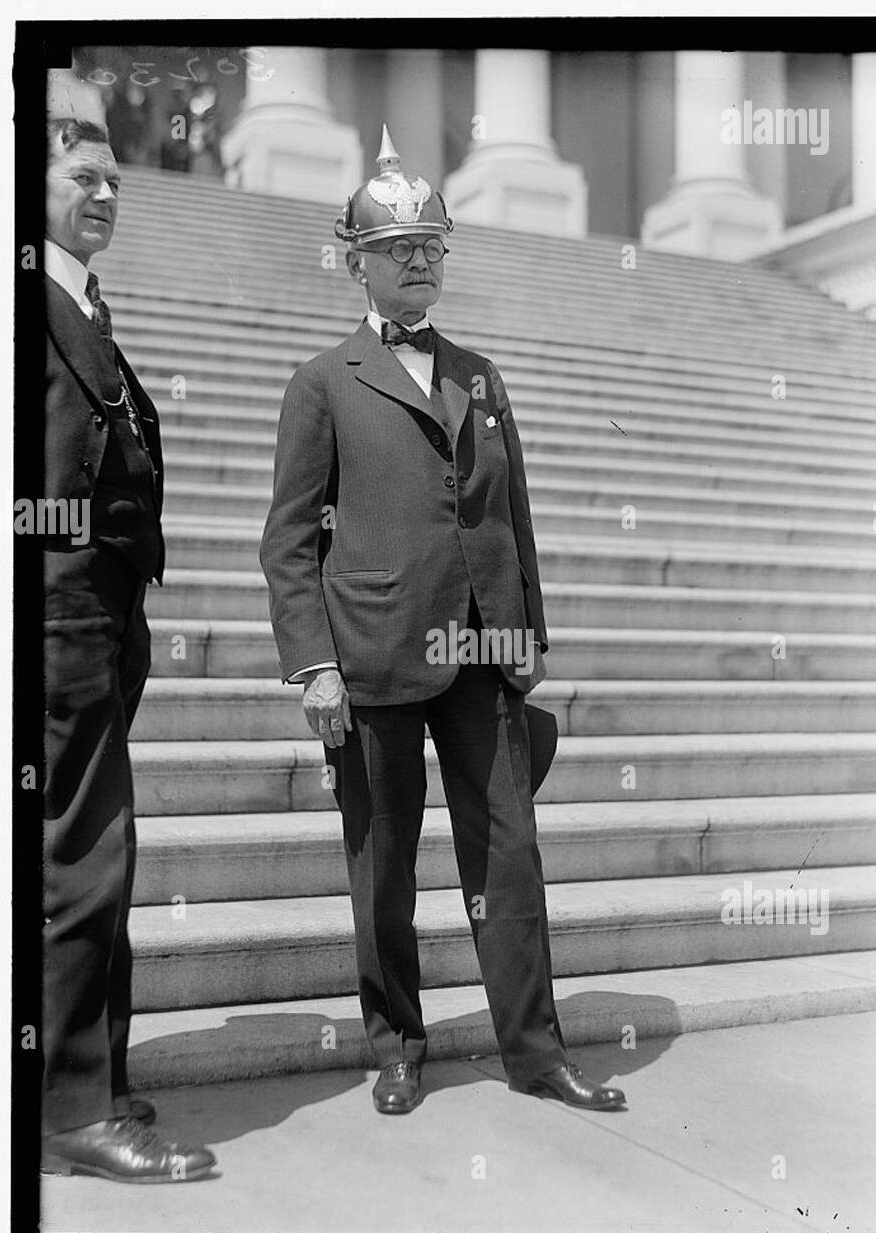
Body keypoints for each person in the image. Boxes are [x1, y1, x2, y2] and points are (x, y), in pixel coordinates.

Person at [261, 127, 627, 1116]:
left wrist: (530, 631)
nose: (419, 259)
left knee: (511, 854)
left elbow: (514, 515)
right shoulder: (321, 383)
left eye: (431, 244)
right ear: (359, 262)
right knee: (383, 867)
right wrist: (312, 667)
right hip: (373, 651)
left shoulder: (479, 372)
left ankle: (535, 1049)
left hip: (483, 649)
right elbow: (288, 541)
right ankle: (395, 1041)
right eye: (398, 247)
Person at [40, 117, 217, 1181]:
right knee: (84, 856)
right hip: (63, 615)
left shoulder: (78, 300)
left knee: (87, 851)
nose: (106, 194)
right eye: (81, 176)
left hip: (98, 616)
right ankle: (73, 1109)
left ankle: (86, 1080)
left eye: (115, 179)